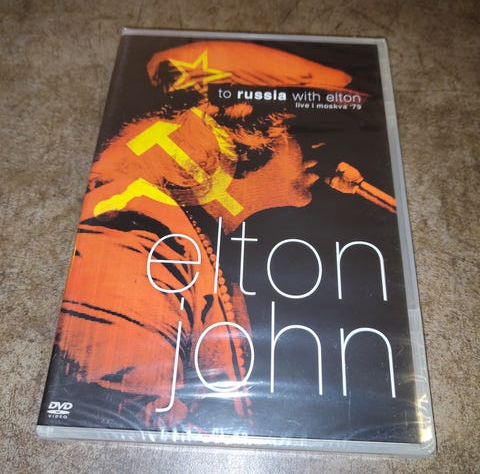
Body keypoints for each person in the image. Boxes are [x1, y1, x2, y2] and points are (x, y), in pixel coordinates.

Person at [53, 41, 364, 431]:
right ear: (243, 134)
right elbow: (118, 418)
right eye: (305, 132)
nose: (325, 152)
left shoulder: (185, 242)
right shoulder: (131, 236)